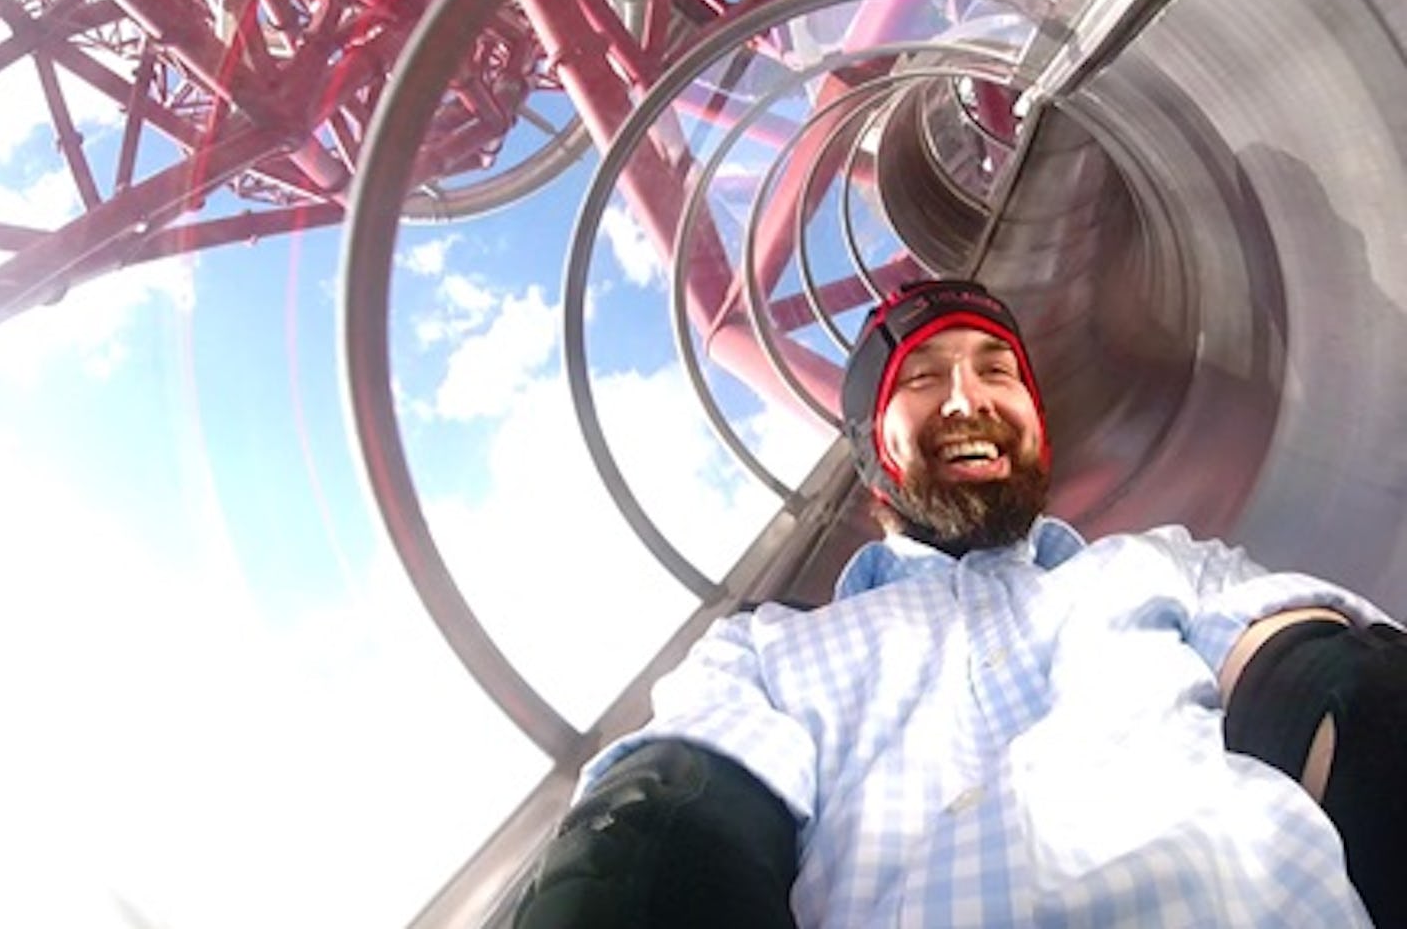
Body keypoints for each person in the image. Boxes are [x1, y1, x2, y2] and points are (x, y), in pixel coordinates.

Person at [514, 279, 1407, 928]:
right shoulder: (767, 650)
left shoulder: (1162, 567)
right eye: (920, 379)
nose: (967, 397)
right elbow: (671, 828)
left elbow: (1315, 676)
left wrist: (1346, 698)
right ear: (873, 454)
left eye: (996, 370)